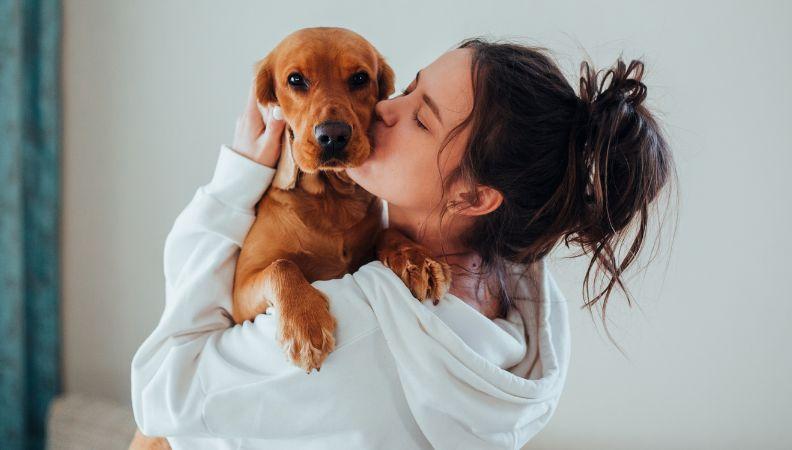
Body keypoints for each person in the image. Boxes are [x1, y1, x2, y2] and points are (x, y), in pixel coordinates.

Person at [130, 37, 674, 449]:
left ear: (475, 197)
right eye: (407, 88)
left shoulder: (354, 325)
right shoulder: (530, 310)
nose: (382, 110)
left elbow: (159, 395)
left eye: (420, 118)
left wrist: (232, 186)